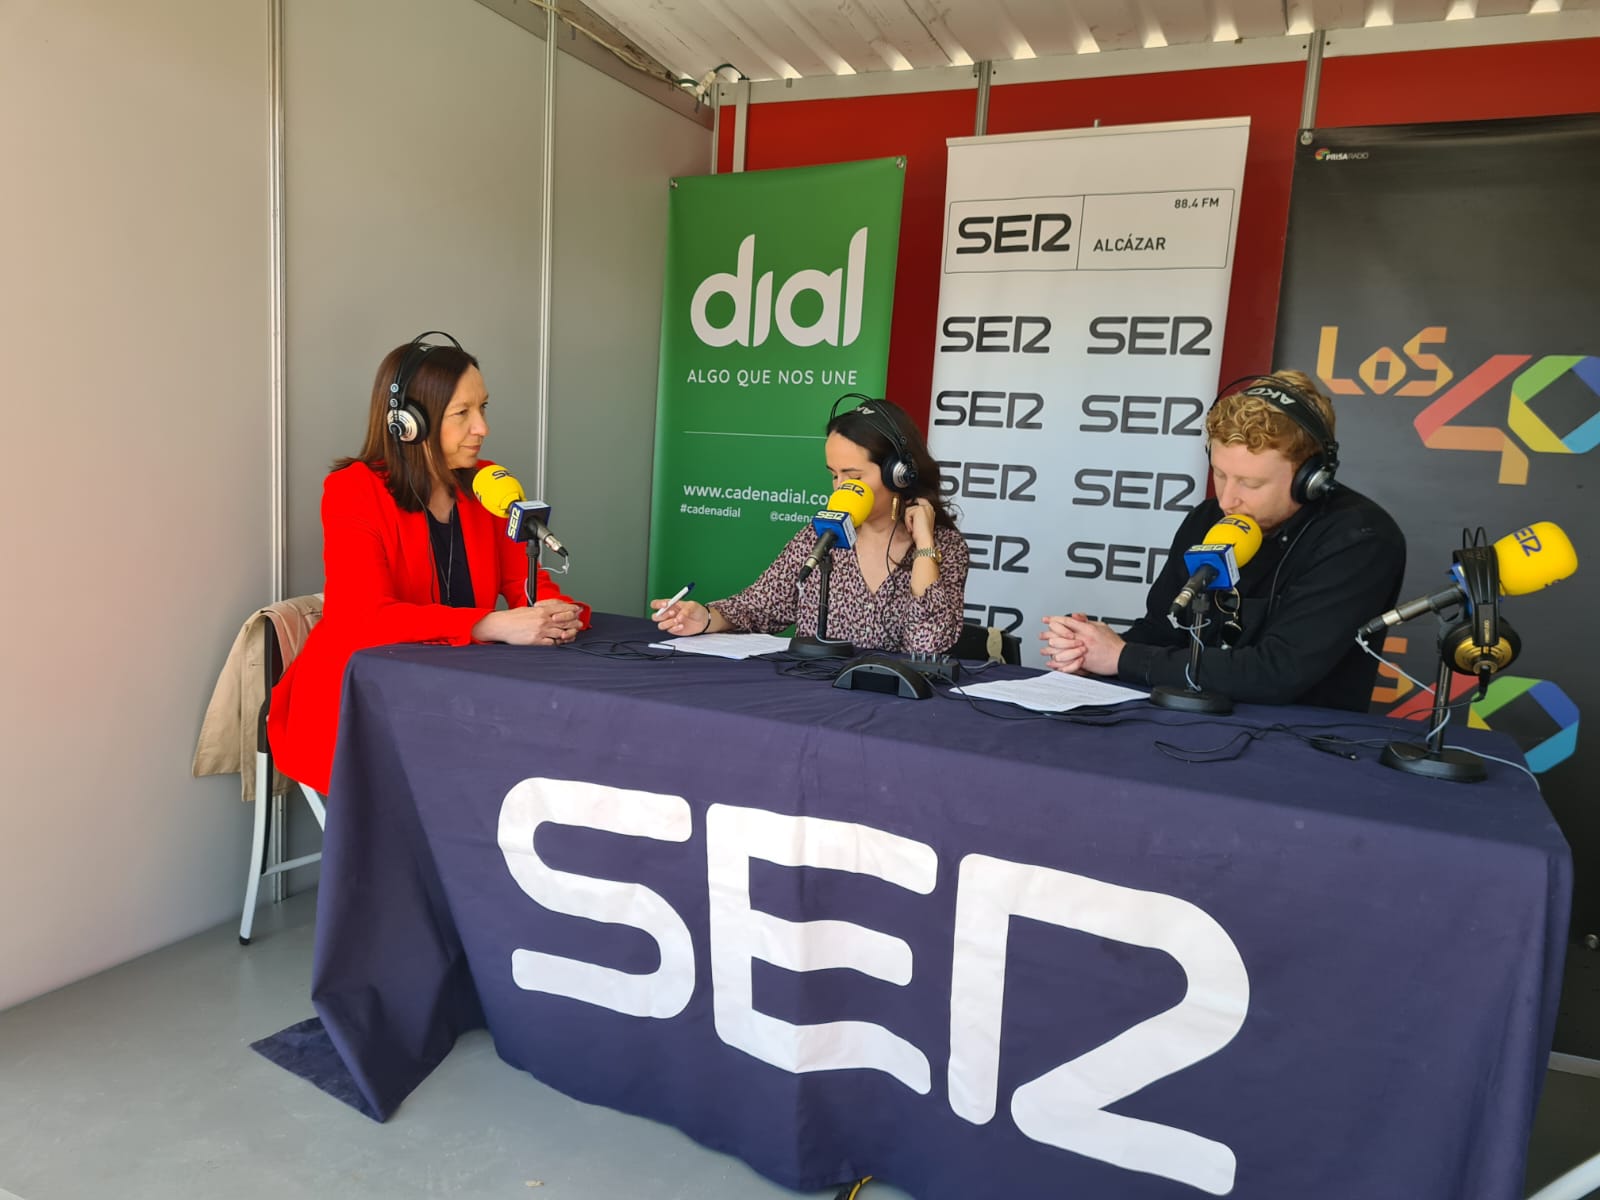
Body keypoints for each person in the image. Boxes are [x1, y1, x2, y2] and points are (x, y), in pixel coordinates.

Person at [267, 333, 589, 794]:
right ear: (408, 423)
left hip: (456, 692)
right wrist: (490, 624)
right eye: (463, 413)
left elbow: (527, 582)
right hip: (363, 701)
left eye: (484, 408)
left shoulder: (486, 485)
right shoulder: (353, 491)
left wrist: (554, 614)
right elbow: (362, 617)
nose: (482, 428)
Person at [1040, 370, 1406, 711]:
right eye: (1220, 473)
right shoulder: (1207, 518)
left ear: (1310, 477)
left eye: (1251, 483)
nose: (1229, 499)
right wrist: (1092, 650)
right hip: (1183, 726)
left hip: (1297, 749)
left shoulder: (1360, 538)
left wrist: (1121, 657)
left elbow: (1278, 672)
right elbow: (1164, 627)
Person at [652, 397, 968, 654]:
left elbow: (928, 646)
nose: (841, 487)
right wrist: (705, 618)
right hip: (814, 701)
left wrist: (925, 544)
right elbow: (761, 605)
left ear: (898, 474)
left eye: (854, 476)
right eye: (834, 474)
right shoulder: (822, 535)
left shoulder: (946, 548)